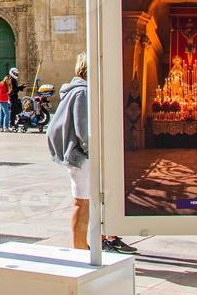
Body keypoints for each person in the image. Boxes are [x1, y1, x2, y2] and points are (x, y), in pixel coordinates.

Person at [46, 53, 136, 254]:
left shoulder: (80, 91)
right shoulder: (82, 93)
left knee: (93, 201)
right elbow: (84, 130)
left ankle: (101, 240)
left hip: (83, 156)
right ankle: (79, 248)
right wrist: (96, 153)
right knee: (82, 203)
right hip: (83, 158)